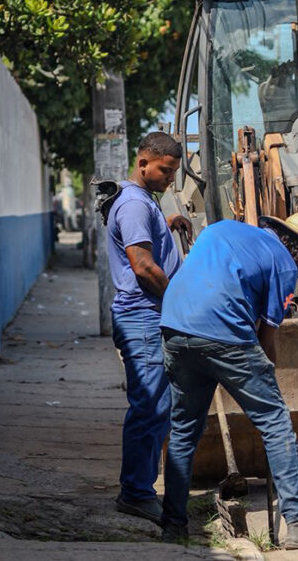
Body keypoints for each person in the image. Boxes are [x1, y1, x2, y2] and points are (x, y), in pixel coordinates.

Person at [158, 213, 298, 550]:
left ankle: (172, 526)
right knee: (276, 423)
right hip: (223, 333)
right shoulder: (284, 266)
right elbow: (267, 338)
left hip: (173, 326)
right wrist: (269, 378)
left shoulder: (222, 228)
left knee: (183, 431)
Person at [107, 132, 192, 522]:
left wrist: (167, 222)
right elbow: (142, 266)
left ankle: (142, 487)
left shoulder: (146, 203)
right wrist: (180, 299)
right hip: (142, 315)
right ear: (143, 164)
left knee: (159, 406)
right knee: (150, 407)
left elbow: (146, 245)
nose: (171, 178)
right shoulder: (134, 206)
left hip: (148, 314)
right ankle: (136, 493)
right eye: (166, 170)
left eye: (174, 171)